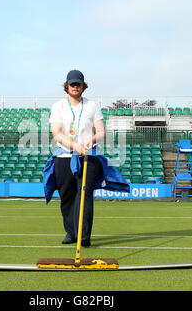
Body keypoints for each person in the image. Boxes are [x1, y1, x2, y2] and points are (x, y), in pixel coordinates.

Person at [43, 70, 129, 247]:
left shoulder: (92, 106)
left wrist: (92, 140)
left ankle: (84, 235)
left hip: (89, 158)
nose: (75, 87)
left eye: (78, 84)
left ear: (84, 86)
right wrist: (76, 147)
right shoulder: (58, 106)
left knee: (85, 196)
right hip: (64, 157)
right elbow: (57, 134)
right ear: (66, 86)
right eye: (72, 84)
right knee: (67, 197)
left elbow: (101, 131)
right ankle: (71, 233)